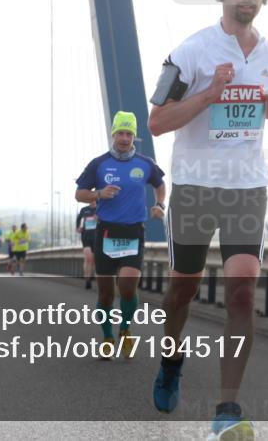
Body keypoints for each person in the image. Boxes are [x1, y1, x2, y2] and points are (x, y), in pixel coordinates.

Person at [148, 0, 268, 437]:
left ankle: (226, 409)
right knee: (182, 289)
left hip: (247, 188)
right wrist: (208, 94)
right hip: (194, 187)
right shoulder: (190, 52)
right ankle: (171, 360)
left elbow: (250, 116)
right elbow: (156, 122)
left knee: (243, 289)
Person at [75, 111, 166, 358]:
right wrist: (99, 194)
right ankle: (106, 337)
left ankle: (125, 330)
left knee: (127, 286)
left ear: (134, 136)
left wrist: (160, 205)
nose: (124, 138)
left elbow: (160, 185)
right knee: (105, 293)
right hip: (106, 233)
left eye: (129, 133)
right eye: (120, 133)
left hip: (133, 232)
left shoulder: (145, 164)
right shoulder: (99, 163)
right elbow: (79, 194)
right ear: (113, 134)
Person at [76, 201, 98, 289]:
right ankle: (87, 280)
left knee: (94, 261)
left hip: (97, 238)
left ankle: (94, 278)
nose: (92, 200)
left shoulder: (100, 209)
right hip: (86, 237)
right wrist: (78, 227)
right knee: (88, 258)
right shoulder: (84, 210)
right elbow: (78, 219)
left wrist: (99, 219)